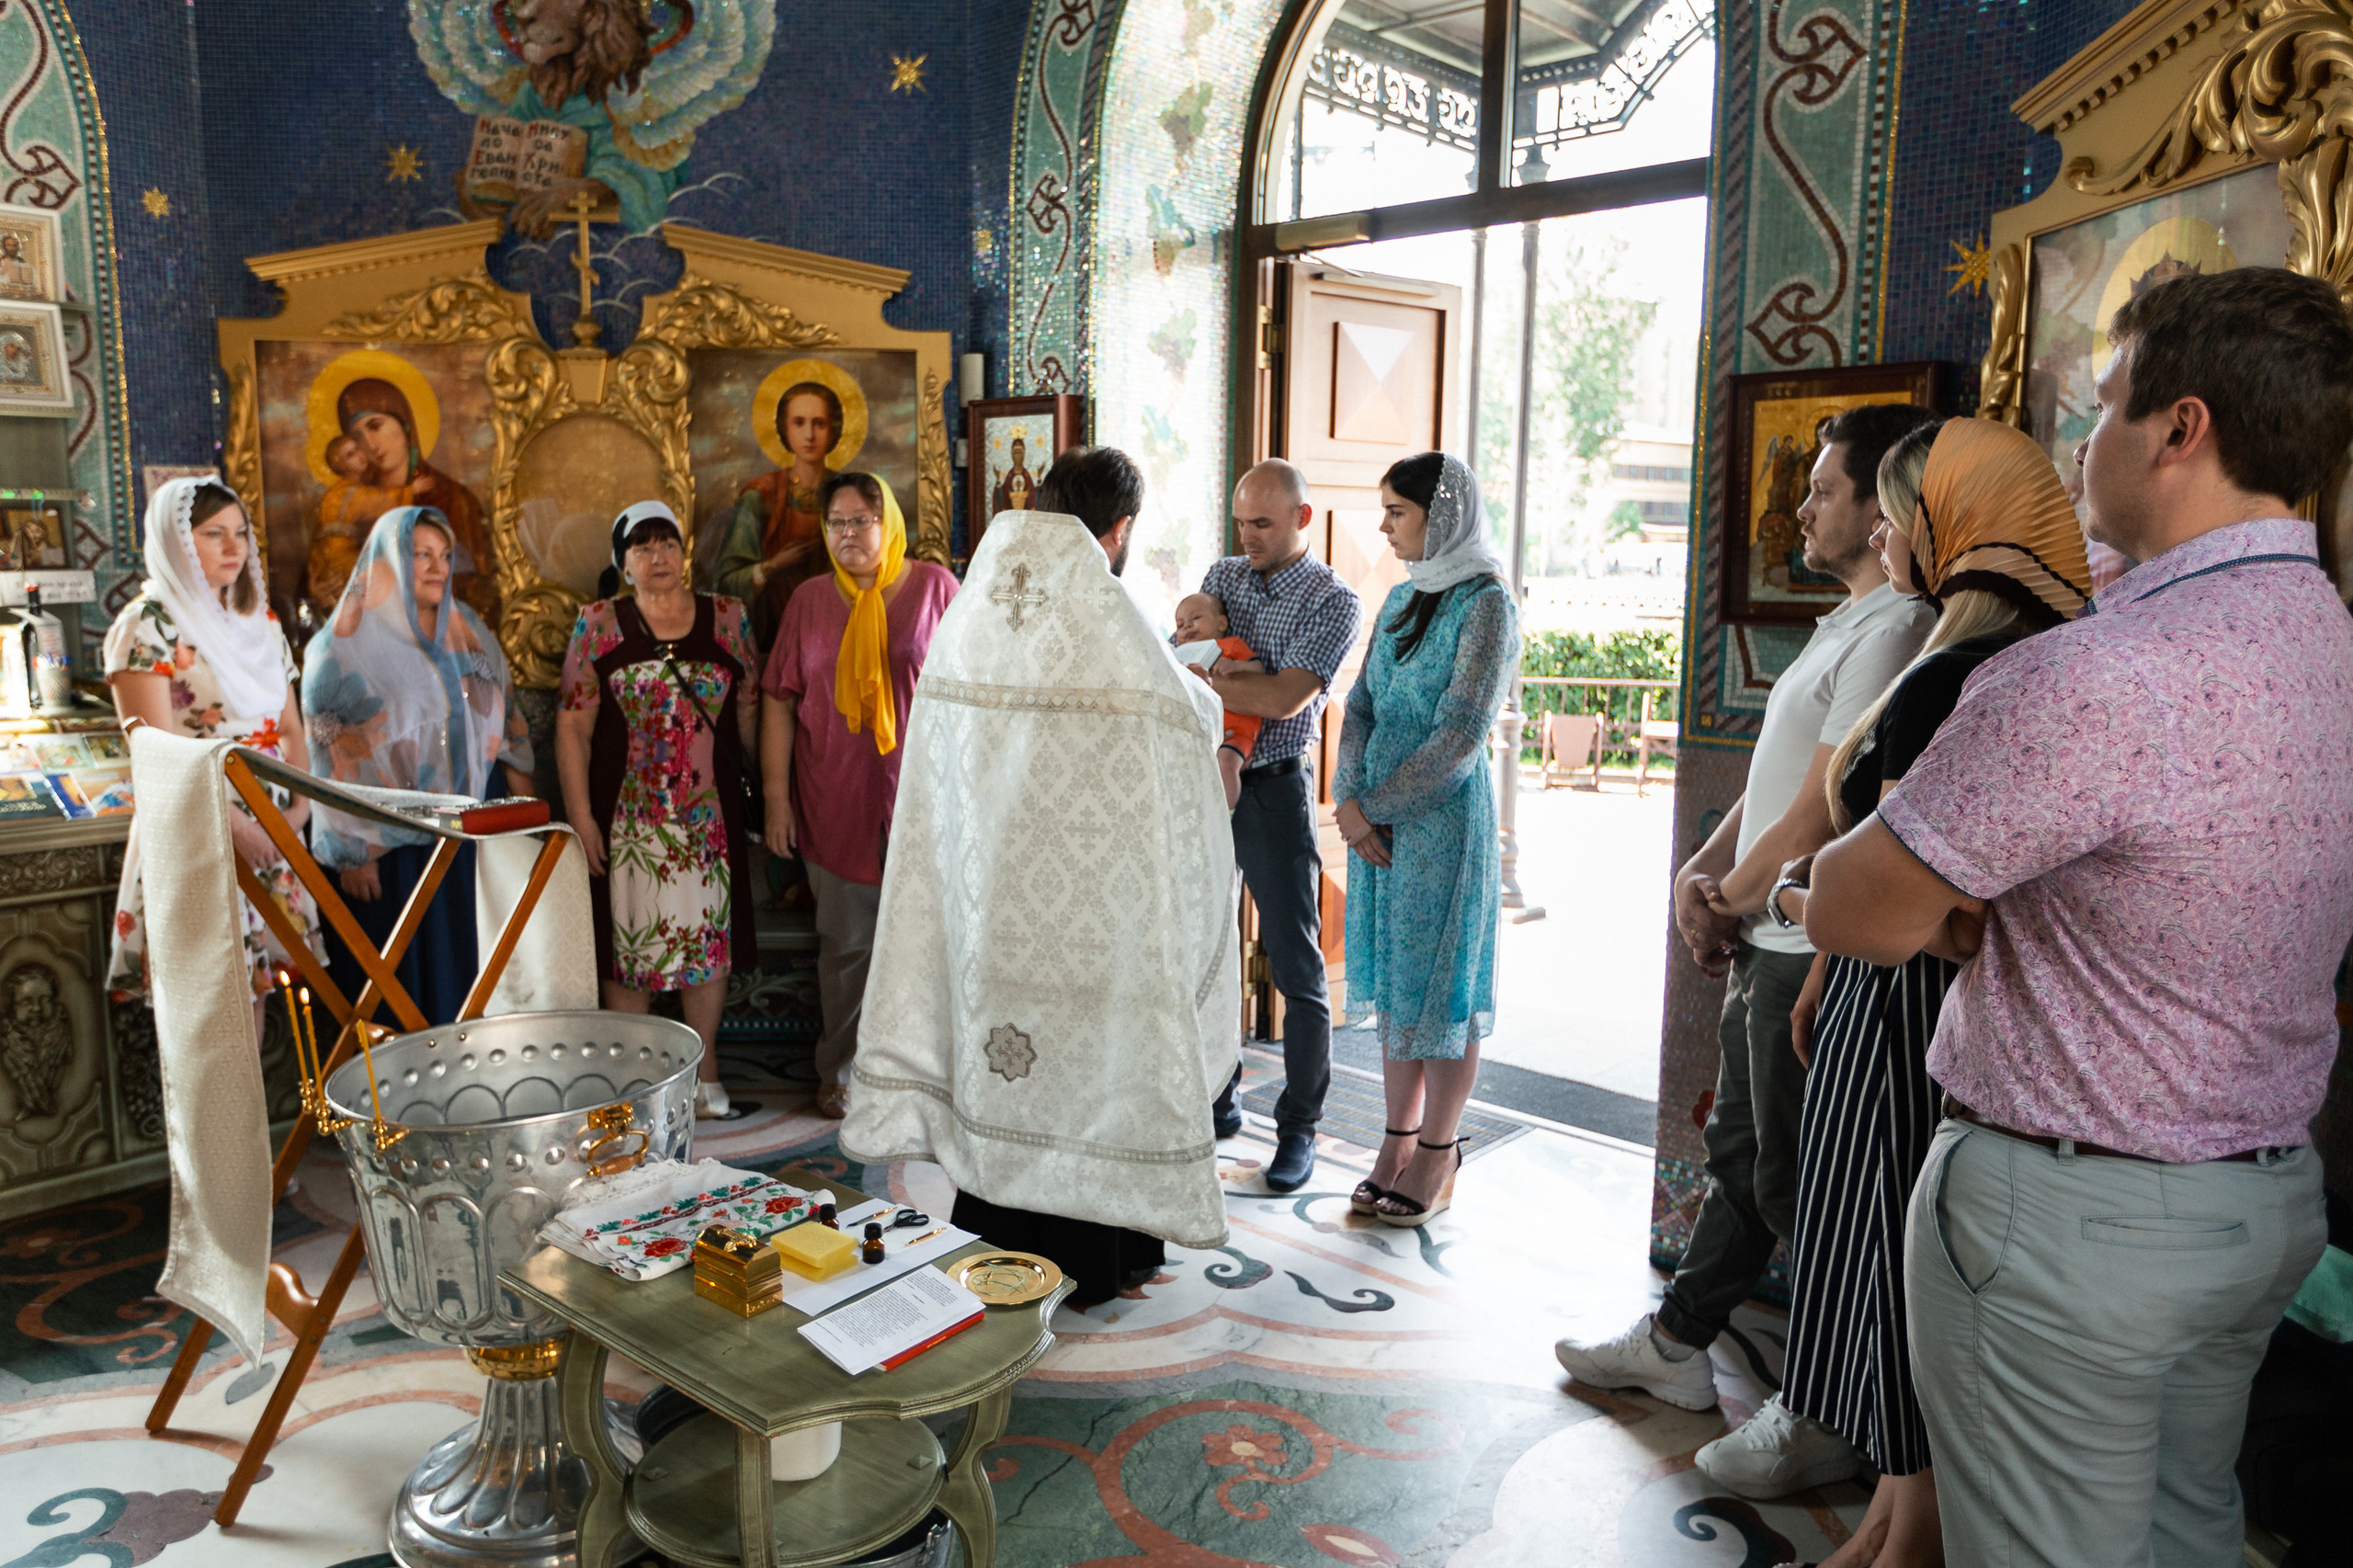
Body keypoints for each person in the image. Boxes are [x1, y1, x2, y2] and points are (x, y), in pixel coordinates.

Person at [1805, 267, 2353, 1565]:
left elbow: (1859, 908)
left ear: (2184, 429)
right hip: (2258, 1200)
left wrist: (1867, 897)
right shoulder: (2326, 636)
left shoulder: (2099, 673)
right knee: (2183, 1531)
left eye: (2102, 407)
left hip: (2072, 1229)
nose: (2079, 444)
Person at [1555, 403, 1938, 1453]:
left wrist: (1733, 895)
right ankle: (1681, 1340)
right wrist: (1702, 864)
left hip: (1800, 939)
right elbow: (1775, 779)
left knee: (1798, 1177)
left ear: (1879, 511)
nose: (1799, 505)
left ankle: (1836, 1401)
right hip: (1762, 923)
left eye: (1822, 488)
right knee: (1740, 1151)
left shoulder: (1899, 627)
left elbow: (1824, 801)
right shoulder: (1845, 619)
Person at [1751, 418, 2089, 1563]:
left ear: (1956, 521)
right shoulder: (2005, 649)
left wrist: (1809, 912)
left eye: (1904, 506)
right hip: (1891, 989)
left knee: (1896, 1261)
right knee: (1885, 1253)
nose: (1890, 530)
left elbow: (1923, 905)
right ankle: (1890, 1521)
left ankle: (1904, 1537)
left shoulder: (1957, 669)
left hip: (1910, 1008)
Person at [840, 446, 1237, 1308]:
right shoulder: (1106, 614)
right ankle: (1103, 1258)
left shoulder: (976, 606)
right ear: (1119, 528)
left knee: (1006, 1062)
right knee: (1095, 1071)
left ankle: (1004, 1240)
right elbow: (1182, 718)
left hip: (996, 905)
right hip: (1095, 909)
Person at [1333, 453, 1518, 1227]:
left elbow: (1462, 735)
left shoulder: (1487, 604)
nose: (1383, 526)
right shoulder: (1405, 597)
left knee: (1442, 989)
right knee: (1400, 988)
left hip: (1439, 827)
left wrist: (1373, 805)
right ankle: (1394, 1142)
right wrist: (1348, 800)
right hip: (1374, 826)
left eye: (1397, 512)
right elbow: (1362, 704)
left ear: (1439, 517)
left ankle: (1439, 1151)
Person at [760, 472, 957, 1119]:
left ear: (888, 522)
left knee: (928, 945)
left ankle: (922, 1077)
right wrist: (777, 800)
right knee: (845, 948)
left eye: (861, 521)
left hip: (923, 802)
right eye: (837, 523)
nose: (848, 534)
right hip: (832, 799)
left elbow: (971, 694)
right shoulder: (811, 601)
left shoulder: (935, 588)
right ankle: (838, 1070)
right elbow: (779, 701)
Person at [555, 502, 759, 1119]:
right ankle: (637, 1083)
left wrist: (772, 794)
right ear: (623, 564)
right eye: (641, 547)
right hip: (630, 819)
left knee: (706, 947)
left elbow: (751, 705)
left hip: (706, 818)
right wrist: (581, 819)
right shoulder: (599, 625)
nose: (658, 556)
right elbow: (572, 727)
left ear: (684, 550)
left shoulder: (728, 618)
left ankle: (705, 1072)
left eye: (666, 542)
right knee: (631, 947)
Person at [301, 506, 538, 1026]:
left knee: (471, 970)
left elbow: (507, 711)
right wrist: (352, 853)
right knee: (402, 983)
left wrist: (527, 820)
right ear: (384, 561)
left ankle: (468, 1090)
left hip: (470, 831)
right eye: (420, 555)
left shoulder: (465, 626)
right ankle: (404, 1103)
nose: (438, 567)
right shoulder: (340, 649)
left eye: (445, 555)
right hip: (391, 842)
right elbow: (327, 758)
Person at [104, 477, 324, 1028]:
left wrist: (296, 813)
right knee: (211, 1010)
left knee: (260, 996)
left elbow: (291, 728)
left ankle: (259, 1118)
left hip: (272, 821)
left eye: (241, 533)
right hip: (202, 823)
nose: (234, 548)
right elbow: (156, 754)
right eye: (212, 534)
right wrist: (239, 829)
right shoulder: (147, 625)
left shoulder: (260, 622)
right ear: (178, 542)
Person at [1199, 459, 1363, 1193]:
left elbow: (1290, 700)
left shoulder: (1335, 600)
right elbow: (1184, 667)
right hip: (1203, 783)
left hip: (1272, 792)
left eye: (1262, 524)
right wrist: (1232, 679)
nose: (1247, 537)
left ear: (1301, 519)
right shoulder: (1222, 575)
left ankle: (1299, 1131)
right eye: (1240, 522)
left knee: (1296, 967)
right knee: (1205, 948)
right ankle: (1217, 1098)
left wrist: (1230, 681)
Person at [310, 378, 495, 626]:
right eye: (357, 436)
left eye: (375, 426)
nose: (370, 444)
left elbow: (476, 592)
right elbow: (323, 569)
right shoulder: (351, 503)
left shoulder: (450, 498)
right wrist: (321, 595)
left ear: (404, 424)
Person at [712, 381, 842, 644]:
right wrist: (772, 566)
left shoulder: (848, 494)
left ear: (834, 429)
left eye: (819, 423)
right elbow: (727, 584)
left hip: (836, 634)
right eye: (799, 422)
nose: (809, 435)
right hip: (771, 640)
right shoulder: (761, 496)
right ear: (784, 428)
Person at [1172, 591, 1262, 808]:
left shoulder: (1230, 646)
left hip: (1236, 730)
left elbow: (1258, 667)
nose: (1187, 627)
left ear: (1221, 623)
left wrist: (1237, 666)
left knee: (1226, 763)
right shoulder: (1179, 654)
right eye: (1180, 624)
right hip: (1201, 730)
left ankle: (1224, 813)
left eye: (1196, 618)